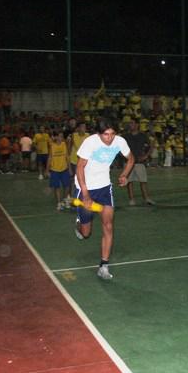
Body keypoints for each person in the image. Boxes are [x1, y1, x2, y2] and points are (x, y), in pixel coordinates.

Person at [74, 118, 135, 280]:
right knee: (86, 233)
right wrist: (85, 194)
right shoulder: (90, 143)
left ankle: (104, 265)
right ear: (99, 134)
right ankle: (79, 223)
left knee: (108, 226)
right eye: (106, 134)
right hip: (85, 188)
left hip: (104, 188)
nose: (110, 138)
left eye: (112, 134)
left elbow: (131, 159)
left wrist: (124, 175)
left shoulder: (120, 142)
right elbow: (79, 167)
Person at [124, 119, 155, 206]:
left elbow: (151, 145)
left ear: (137, 125)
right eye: (130, 123)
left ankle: (146, 198)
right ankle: (131, 199)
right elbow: (119, 147)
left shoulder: (143, 135)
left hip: (139, 162)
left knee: (143, 181)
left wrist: (146, 156)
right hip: (129, 162)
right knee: (129, 182)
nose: (130, 125)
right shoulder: (125, 136)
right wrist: (124, 156)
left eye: (132, 123)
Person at [47, 132, 70, 211]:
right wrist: (47, 170)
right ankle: (59, 203)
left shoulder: (64, 144)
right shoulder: (52, 146)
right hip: (54, 170)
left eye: (62, 137)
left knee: (67, 186)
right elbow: (49, 158)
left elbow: (67, 157)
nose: (61, 138)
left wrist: (70, 168)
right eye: (59, 136)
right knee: (57, 187)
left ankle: (65, 200)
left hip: (64, 169)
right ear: (56, 137)